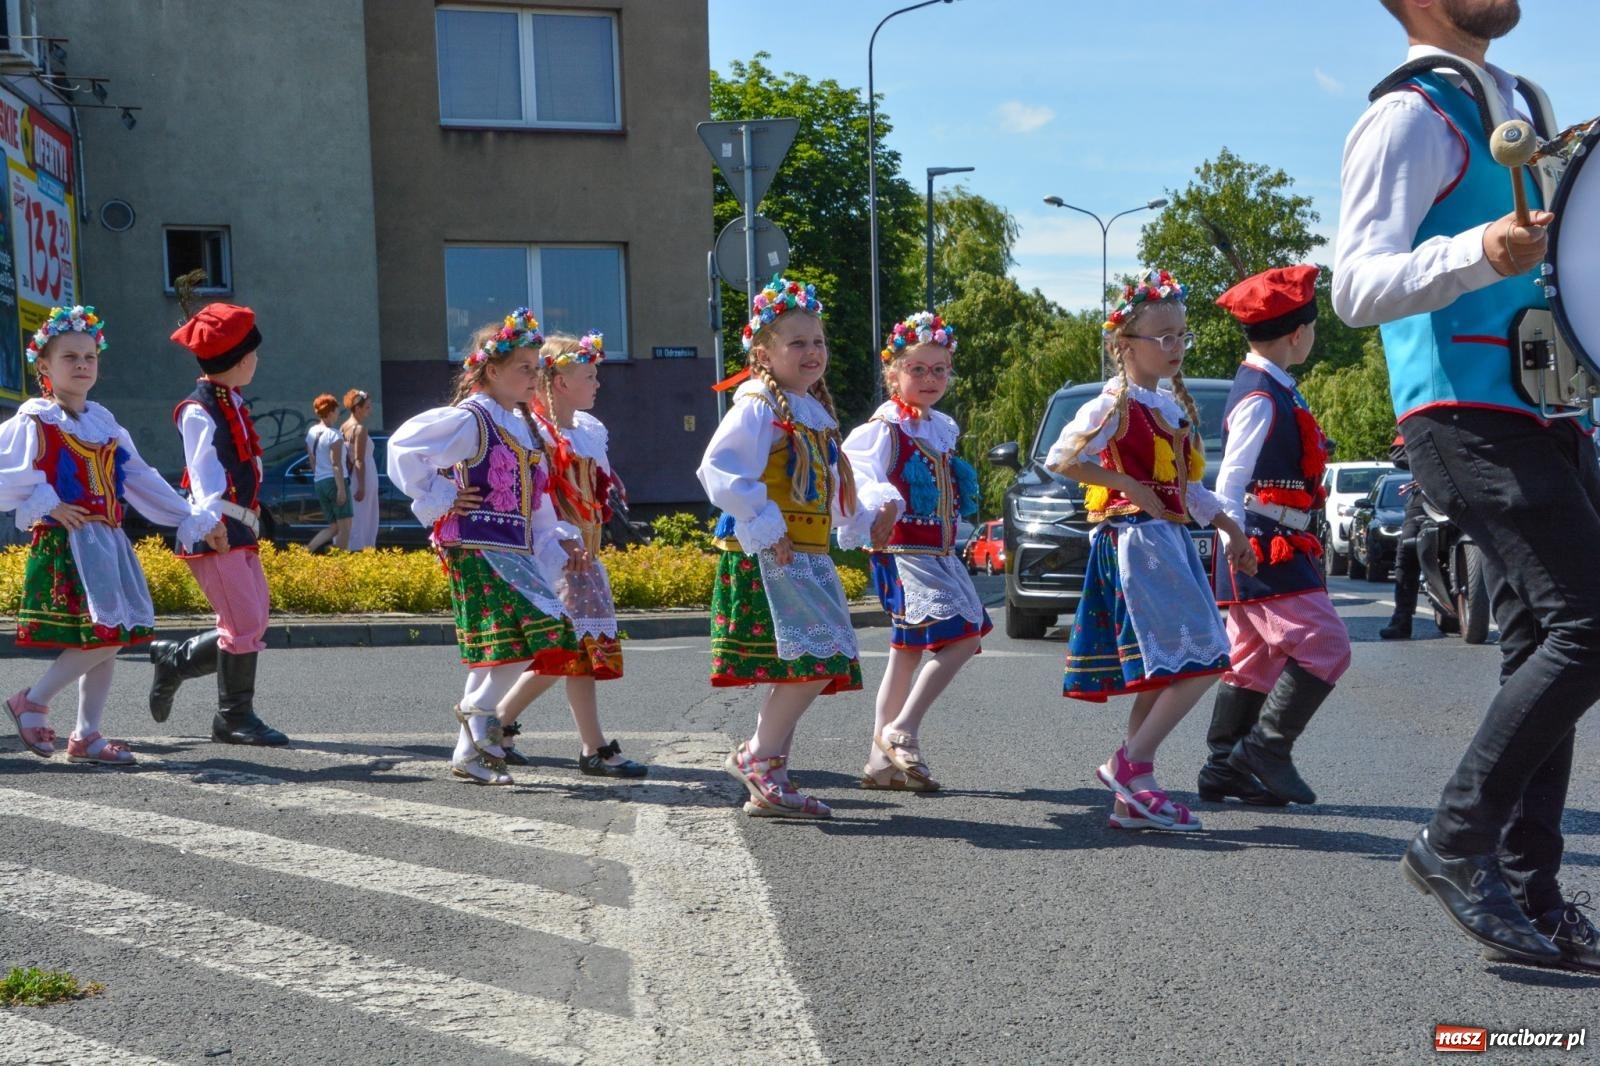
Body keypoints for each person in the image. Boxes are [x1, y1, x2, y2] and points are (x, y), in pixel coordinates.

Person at [1334, 0, 1599, 970]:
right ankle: (1454, 840)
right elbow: (1355, 286)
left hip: (1550, 406)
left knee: (1546, 633)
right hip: (1460, 409)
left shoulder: (1521, 99)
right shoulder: (1407, 115)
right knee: (1587, 622)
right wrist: (1478, 250)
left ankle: (1527, 887)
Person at [1047, 269, 1255, 832]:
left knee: (1167, 668)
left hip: (1169, 540)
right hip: (1136, 543)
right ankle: (1129, 764)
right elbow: (1061, 459)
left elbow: (1187, 489)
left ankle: (1132, 793)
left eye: (1181, 335)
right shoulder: (1112, 403)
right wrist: (1127, 485)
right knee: (1206, 655)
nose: (1175, 347)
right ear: (1123, 343)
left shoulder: (1165, 405)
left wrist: (1232, 531)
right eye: (1162, 336)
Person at [0, 306, 220, 765]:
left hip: (108, 540)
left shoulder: (104, 424)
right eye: (69, 357)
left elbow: (141, 478)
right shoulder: (34, 421)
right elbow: (8, 474)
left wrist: (190, 516)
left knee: (108, 640)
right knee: (105, 635)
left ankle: (87, 734)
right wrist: (45, 500)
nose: (82, 365)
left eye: (89, 357)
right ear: (44, 366)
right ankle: (33, 700)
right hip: (69, 543)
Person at [386, 308, 584, 785]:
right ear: (491, 370)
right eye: (523, 368)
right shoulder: (472, 419)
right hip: (475, 544)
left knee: (502, 648)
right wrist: (441, 495)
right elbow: (401, 447)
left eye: (536, 368)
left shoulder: (522, 425)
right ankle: (477, 718)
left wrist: (558, 541)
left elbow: (534, 505)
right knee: (541, 632)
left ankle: (468, 751)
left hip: (511, 549)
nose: (533, 377)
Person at [697, 274, 867, 819]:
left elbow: (825, 483)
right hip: (775, 553)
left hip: (804, 552)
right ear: (763, 351)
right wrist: (768, 523)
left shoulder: (805, 409)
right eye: (797, 342)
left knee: (806, 663)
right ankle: (758, 756)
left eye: (817, 341)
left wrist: (854, 521)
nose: (812, 351)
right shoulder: (757, 404)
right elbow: (717, 469)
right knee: (818, 656)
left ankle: (771, 775)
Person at [1204, 265, 1352, 807]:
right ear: (1298, 333)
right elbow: (1230, 480)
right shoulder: (1262, 395)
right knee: (1327, 644)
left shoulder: (1271, 387)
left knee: (1254, 657)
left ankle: (1224, 766)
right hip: (1262, 546)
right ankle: (1265, 749)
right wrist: (1234, 544)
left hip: (1266, 542)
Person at [840, 311, 989, 791]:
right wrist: (883, 501)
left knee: (905, 655)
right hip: (906, 554)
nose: (929, 379)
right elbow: (858, 470)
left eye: (939, 369)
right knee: (964, 638)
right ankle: (901, 730)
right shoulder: (885, 428)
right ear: (893, 374)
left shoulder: (938, 428)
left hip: (938, 554)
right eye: (917, 369)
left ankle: (878, 765)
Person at [496, 331, 646, 778]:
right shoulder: (535, 432)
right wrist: (562, 540)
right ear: (560, 383)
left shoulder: (589, 431)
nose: (597, 382)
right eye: (589, 374)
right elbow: (538, 500)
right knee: (567, 648)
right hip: (555, 555)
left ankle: (581, 743)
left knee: (581, 652)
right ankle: (492, 721)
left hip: (586, 555)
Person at [151, 302, 291, 746]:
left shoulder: (230, 400)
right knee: (244, 622)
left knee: (254, 620)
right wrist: (209, 522)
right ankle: (233, 718)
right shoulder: (198, 408)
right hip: (216, 528)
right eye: (254, 353)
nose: (257, 360)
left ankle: (175, 660)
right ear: (242, 359)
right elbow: (201, 470)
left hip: (240, 527)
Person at [1380, 433, 1426, 640]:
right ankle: (1402, 618)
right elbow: (1397, 453)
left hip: (1466, 491)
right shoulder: (1422, 414)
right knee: (1408, 545)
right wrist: (1421, 451)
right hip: (1427, 493)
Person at [305, 394, 350, 553]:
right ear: (331, 412)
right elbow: (336, 463)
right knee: (345, 527)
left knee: (334, 527)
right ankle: (340, 563)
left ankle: (307, 550)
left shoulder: (311, 432)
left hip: (320, 481)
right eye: (337, 408)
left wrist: (320, 475)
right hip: (335, 481)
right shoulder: (334, 434)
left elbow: (312, 461)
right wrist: (341, 489)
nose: (339, 412)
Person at [341, 388, 379, 551]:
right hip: (363, 476)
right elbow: (359, 459)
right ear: (357, 408)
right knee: (365, 517)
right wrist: (362, 486)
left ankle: (350, 547)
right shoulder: (360, 429)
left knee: (355, 516)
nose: (369, 411)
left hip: (350, 476)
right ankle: (361, 550)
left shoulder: (344, 427)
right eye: (367, 407)